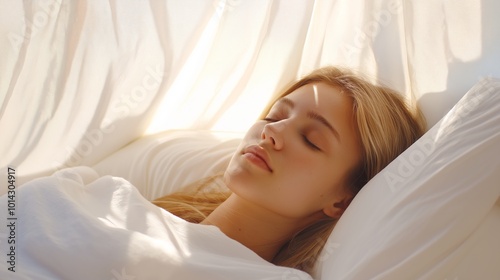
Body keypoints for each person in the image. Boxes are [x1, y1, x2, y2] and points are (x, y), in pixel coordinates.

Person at [153, 66, 427, 274]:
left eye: (311, 140)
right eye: (275, 116)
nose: (271, 131)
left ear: (343, 201)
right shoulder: (129, 204)